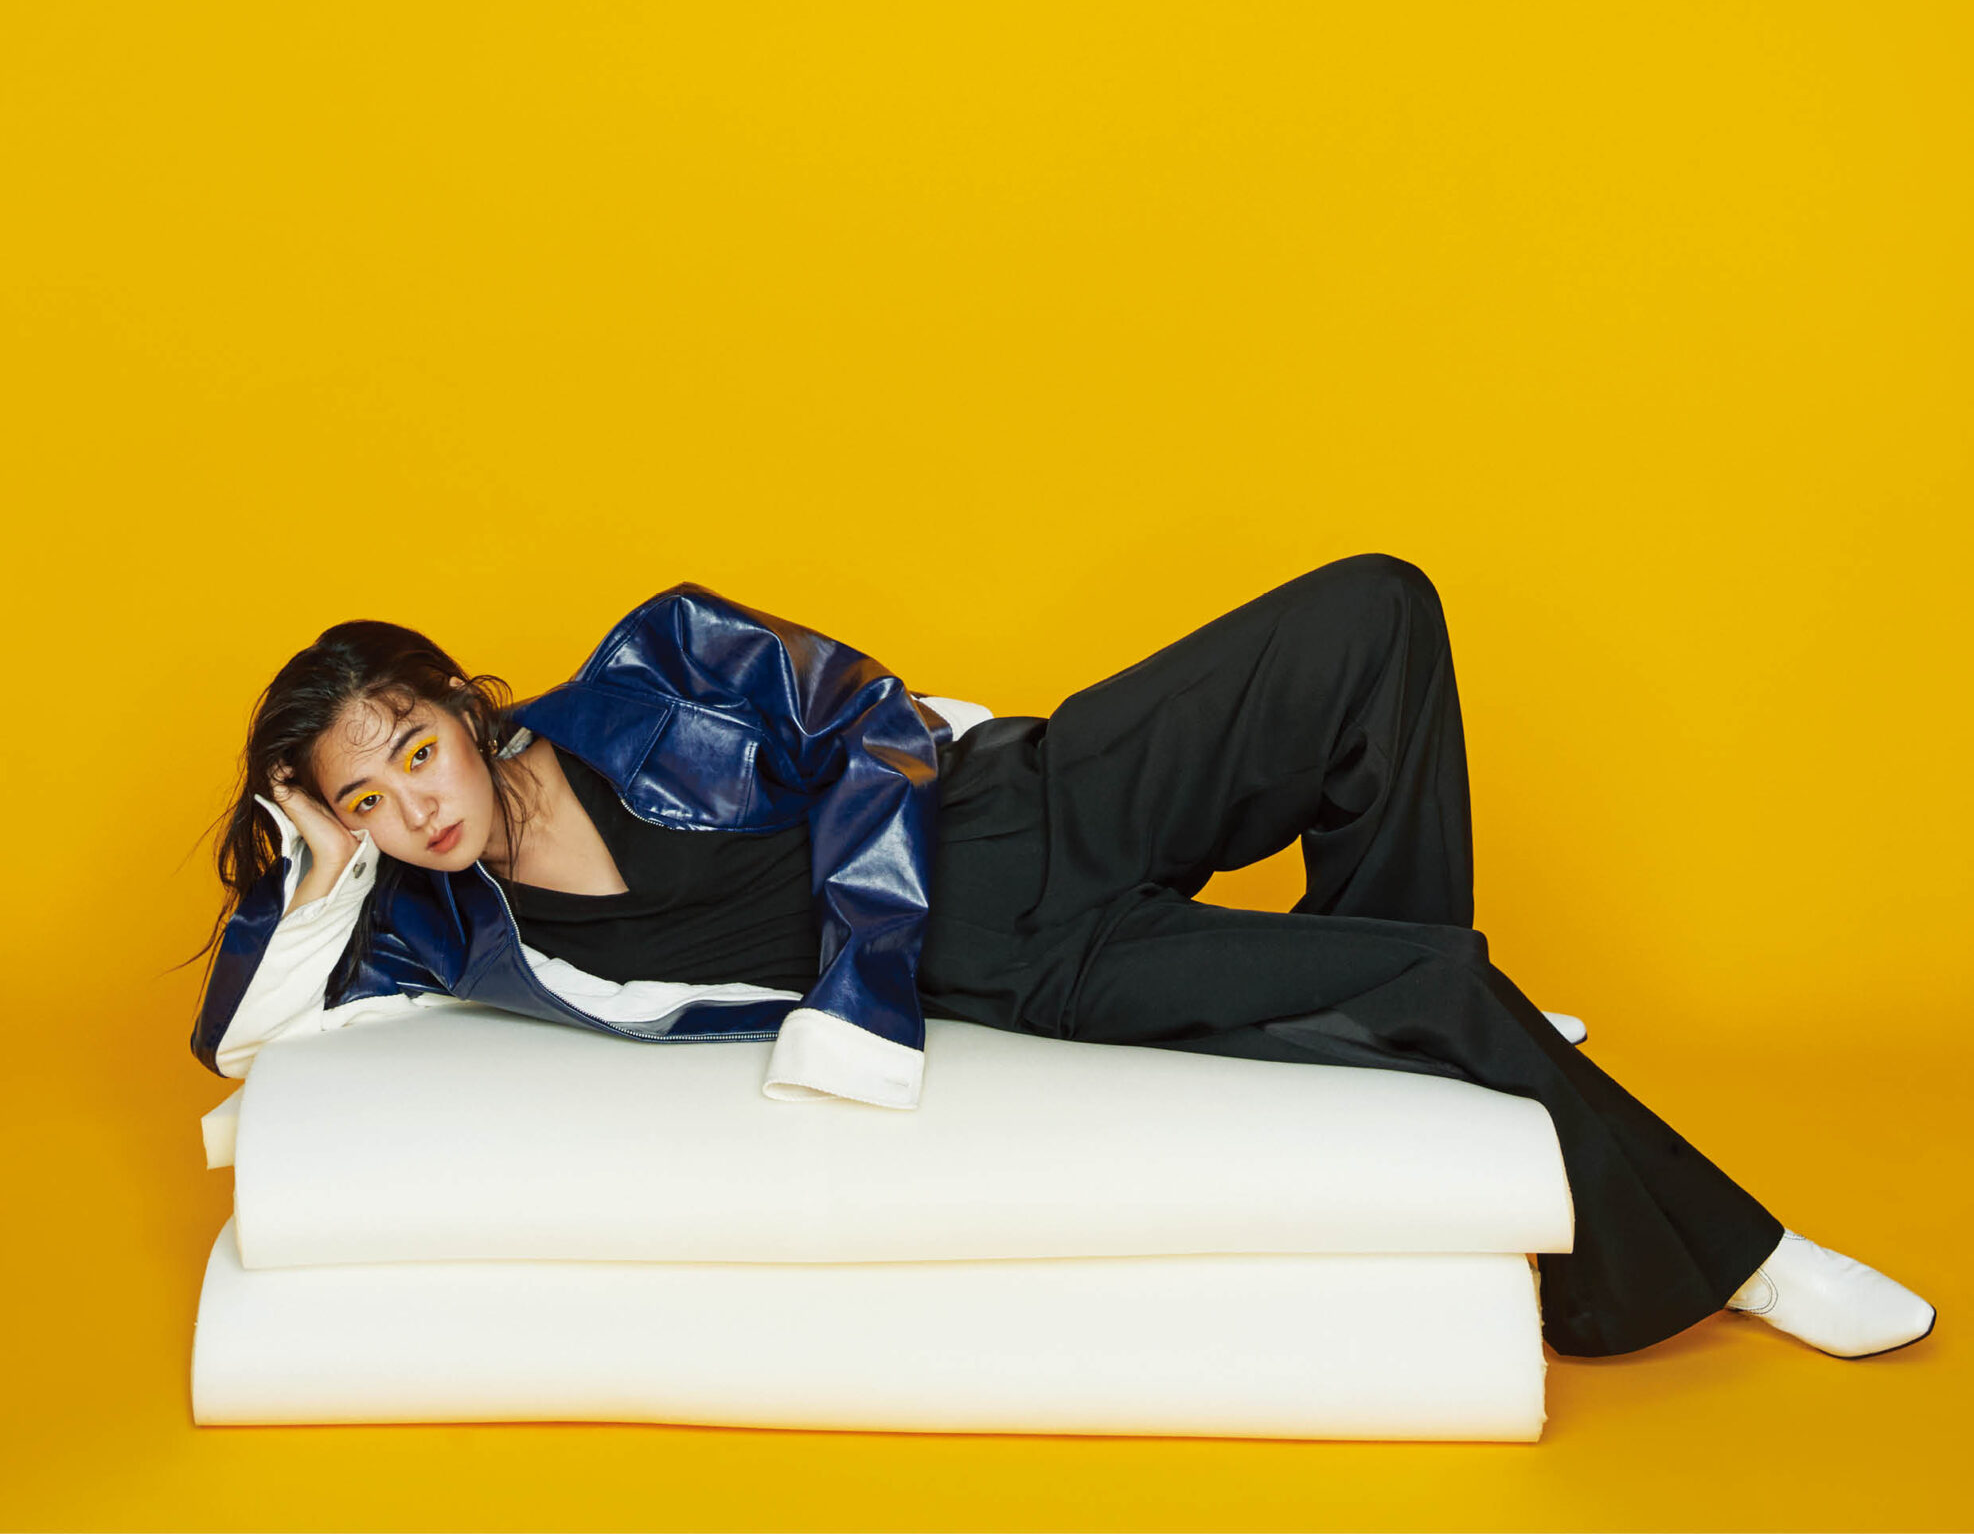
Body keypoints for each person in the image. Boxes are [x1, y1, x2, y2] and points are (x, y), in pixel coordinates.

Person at [193, 554, 1934, 1365]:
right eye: (365, 798)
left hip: (1026, 799)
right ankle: (1737, 1259)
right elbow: (240, 1039)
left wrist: (857, 983)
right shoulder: (437, 926)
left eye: (412, 748)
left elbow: (876, 724)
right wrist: (310, 873)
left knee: (1376, 613)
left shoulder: (656, 662)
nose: (414, 804)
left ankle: (1404, 970)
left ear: (462, 705)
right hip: (1015, 969)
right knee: (1433, 996)